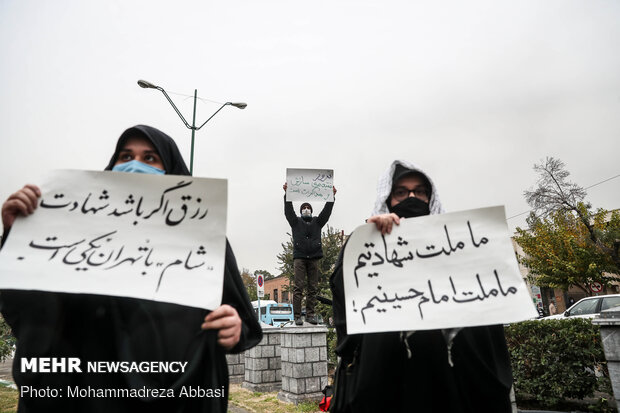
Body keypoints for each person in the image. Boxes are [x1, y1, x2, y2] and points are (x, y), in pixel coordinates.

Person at [0, 125, 262, 413]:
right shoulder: (72, 234)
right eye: (125, 156)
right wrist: (18, 236)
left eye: (150, 158)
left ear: (171, 170)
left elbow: (245, 321)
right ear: (112, 165)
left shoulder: (203, 239)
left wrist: (234, 328)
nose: (135, 165)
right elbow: (26, 312)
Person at [329, 160, 513, 413]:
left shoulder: (458, 246)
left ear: (430, 197)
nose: (412, 197)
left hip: (451, 386)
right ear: (388, 199)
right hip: (387, 387)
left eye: (420, 191)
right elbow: (346, 303)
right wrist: (368, 242)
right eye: (401, 192)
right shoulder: (367, 246)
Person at [283, 182, 336, 325]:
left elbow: (327, 212)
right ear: (301, 211)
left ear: (311, 210)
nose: (306, 209)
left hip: (314, 258)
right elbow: (288, 211)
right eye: (304, 208)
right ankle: (298, 316)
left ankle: (310, 315)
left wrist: (332, 197)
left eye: (308, 207)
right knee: (298, 287)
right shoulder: (295, 222)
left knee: (313, 288)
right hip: (299, 258)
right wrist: (287, 194)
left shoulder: (317, 222)